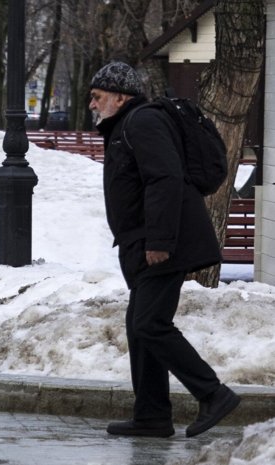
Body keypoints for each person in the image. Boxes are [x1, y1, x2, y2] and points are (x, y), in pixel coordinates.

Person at [90, 62, 241, 438]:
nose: (92, 105)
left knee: (150, 324)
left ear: (119, 96)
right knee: (139, 327)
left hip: (163, 243)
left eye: (97, 97)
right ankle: (152, 416)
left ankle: (214, 394)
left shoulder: (141, 122)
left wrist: (159, 242)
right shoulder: (126, 126)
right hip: (144, 242)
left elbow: (165, 178)